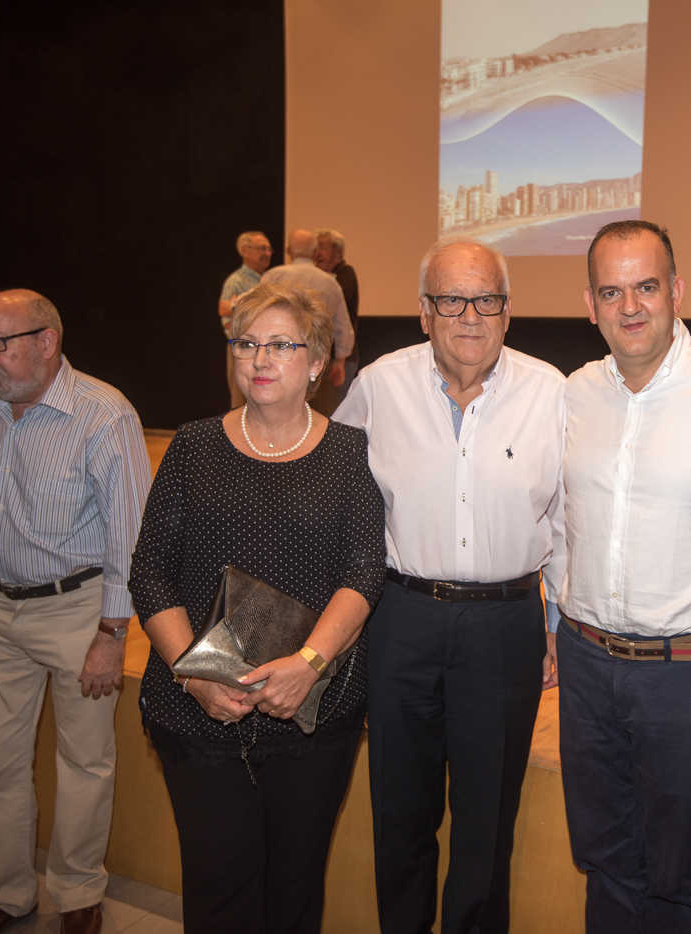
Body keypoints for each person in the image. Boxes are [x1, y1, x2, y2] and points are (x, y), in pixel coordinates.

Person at [128, 282, 385, 932]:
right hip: (199, 715)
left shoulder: (350, 452)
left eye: (279, 345)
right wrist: (193, 674)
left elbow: (363, 571)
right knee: (218, 895)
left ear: (317, 363)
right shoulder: (192, 446)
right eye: (246, 344)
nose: (258, 359)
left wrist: (306, 663)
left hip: (308, 721)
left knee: (294, 894)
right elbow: (150, 570)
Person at [334, 238, 565, 934]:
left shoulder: (550, 392)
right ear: (424, 312)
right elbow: (345, 501)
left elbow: (569, 515)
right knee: (400, 811)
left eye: (486, 299)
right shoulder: (378, 386)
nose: (470, 316)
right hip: (401, 619)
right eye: (450, 300)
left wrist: (555, 625)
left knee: (487, 819)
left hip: (505, 626)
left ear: (508, 310)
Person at [558, 220, 691, 933]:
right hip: (584, 666)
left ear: (677, 292)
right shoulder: (573, 393)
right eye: (612, 291)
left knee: (675, 875)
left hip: (684, 673)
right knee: (604, 859)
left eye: (646, 286)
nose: (631, 306)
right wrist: (556, 615)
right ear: (590, 304)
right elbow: (560, 518)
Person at [0, 289, 151, 934]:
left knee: (85, 762)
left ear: (48, 340)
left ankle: (78, 893)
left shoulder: (102, 413)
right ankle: (5, 893)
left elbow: (129, 533)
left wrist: (113, 632)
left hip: (78, 614)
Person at [261, 228, 354, 418]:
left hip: (277, 359)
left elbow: (256, 318)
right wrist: (340, 361)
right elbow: (342, 326)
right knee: (319, 420)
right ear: (314, 253)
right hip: (317, 362)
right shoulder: (329, 282)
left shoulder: (271, 277)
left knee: (276, 416)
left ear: (289, 250)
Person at [219, 231, 273, 408]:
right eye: (261, 248)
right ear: (244, 251)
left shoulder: (268, 279)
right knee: (241, 401)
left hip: (263, 348)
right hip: (242, 348)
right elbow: (223, 309)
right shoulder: (236, 281)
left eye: (269, 249)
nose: (267, 253)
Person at [315, 228, 361, 404]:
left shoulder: (345, 274)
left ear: (338, 252)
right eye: (316, 248)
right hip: (323, 357)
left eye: (323, 248)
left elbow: (326, 309)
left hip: (341, 359)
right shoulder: (321, 277)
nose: (317, 253)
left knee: (336, 411)